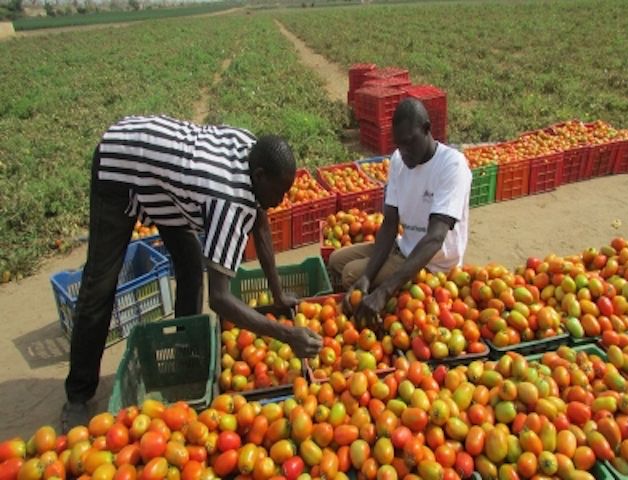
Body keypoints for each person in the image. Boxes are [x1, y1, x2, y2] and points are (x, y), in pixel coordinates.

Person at [62, 115, 322, 431]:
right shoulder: (229, 199)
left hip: (170, 182)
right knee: (101, 282)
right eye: (278, 192)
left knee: (189, 267)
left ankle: (184, 358)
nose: (282, 200)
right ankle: (78, 394)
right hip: (122, 166)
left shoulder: (251, 150)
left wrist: (279, 295)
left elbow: (262, 224)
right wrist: (286, 334)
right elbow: (220, 298)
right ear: (259, 174)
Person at [330, 98, 472, 327]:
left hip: (431, 264)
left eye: (409, 143)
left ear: (427, 129)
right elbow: (389, 224)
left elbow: (435, 238)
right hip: (402, 248)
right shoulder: (399, 161)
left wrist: (385, 290)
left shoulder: (452, 167)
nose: (404, 152)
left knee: (349, 274)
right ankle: (363, 301)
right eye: (399, 145)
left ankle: (369, 318)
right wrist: (368, 277)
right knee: (337, 260)